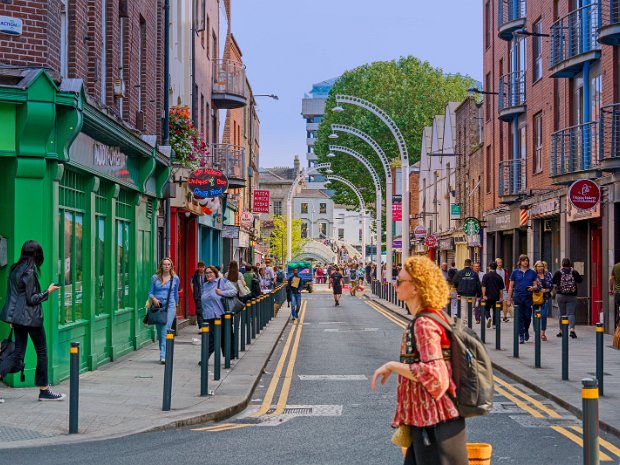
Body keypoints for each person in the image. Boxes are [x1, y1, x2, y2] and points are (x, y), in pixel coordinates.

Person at [371, 256, 468, 465]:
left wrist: (392, 366)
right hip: (427, 422)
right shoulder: (430, 316)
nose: (394, 284)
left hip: (433, 424)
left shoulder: (424, 323)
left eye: (399, 281)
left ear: (415, 287)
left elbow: (436, 376)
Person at [0, 240, 65, 401]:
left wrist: (12, 318)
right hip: (32, 319)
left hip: (19, 320)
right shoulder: (29, 272)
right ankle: (44, 391)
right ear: (35, 254)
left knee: (17, 354)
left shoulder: (14, 269)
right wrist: (48, 291)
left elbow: (13, 296)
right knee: (42, 352)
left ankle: (44, 390)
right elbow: (31, 298)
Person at [201, 266, 237, 359]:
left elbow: (234, 291)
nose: (208, 275)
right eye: (207, 273)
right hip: (208, 315)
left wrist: (222, 293)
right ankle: (206, 356)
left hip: (221, 314)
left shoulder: (222, 282)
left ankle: (229, 356)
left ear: (215, 273)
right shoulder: (205, 285)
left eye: (210, 272)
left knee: (225, 337)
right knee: (211, 338)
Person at [148, 257, 180, 364]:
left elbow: (175, 293)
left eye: (168, 264)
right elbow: (150, 292)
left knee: (165, 329)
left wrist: (176, 305)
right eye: (164, 264)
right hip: (158, 305)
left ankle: (163, 355)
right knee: (160, 330)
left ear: (171, 266)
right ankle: (163, 350)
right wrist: (154, 299)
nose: (166, 266)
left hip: (170, 305)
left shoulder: (175, 278)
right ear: (161, 265)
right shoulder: (155, 278)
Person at [507, 255, 537, 344]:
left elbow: (535, 285)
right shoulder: (515, 272)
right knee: (519, 317)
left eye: (527, 260)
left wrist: (533, 288)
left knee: (528, 317)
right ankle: (521, 335)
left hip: (528, 297)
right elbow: (511, 286)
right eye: (524, 260)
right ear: (520, 262)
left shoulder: (532, 272)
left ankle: (526, 330)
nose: (525, 262)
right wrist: (509, 299)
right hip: (518, 297)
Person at [552, 258, 583, 338]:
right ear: (570, 264)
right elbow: (580, 281)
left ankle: (561, 331)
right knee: (571, 313)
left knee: (562, 313)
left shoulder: (558, 272)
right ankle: (572, 330)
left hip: (560, 295)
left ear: (562, 264)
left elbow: (553, 282)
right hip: (572, 295)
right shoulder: (574, 272)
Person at [533, 260, 553, 341]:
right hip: (535, 298)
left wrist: (547, 290)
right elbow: (531, 285)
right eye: (538, 266)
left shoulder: (548, 274)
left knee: (544, 315)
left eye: (541, 266)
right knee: (535, 316)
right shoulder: (533, 275)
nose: (540, 268)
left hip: (545, 297)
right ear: (536, 267)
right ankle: (536, 332)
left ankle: (543, 333)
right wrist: (540, 289)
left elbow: (552, 285)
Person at [481, 262, 505, 329]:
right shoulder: (499, 277)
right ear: (496, 267)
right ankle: (494, 324)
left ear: (489, 267)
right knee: (495, 310)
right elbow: (501, 289)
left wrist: (484, 295)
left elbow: (483, 286)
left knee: (486, 309)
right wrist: (501, 297)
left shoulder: (485, 276)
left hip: (488, 296)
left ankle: (488, 317)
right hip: (496, 296)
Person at [190, 261, 207, 330]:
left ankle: (206, 325)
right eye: (200, 267)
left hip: (206, 296)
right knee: (199, 311)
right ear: (198, 267)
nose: (201, 269)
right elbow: (192, 284)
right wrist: (195, 294)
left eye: (202, 267)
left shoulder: (207, 275)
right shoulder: (195, 275)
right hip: (198, 296)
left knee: (206, 311)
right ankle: (201, 327)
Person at [495, 258, 511, 322]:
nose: (500, 264)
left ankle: (505, 317)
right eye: (498, 263)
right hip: (496, 290)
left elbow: (508, 280)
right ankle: (497, 317)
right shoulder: (495, 271)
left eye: (501, 262)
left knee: (505, 304)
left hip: (504, 289)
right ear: (496, 263)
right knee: (497, 304)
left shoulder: (505, 271)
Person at [608, 260, 620, 327]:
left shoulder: (616, 266)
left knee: (618, 311)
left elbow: (611, 279)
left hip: (618, 292)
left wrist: (611, 289)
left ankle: (618, 330)